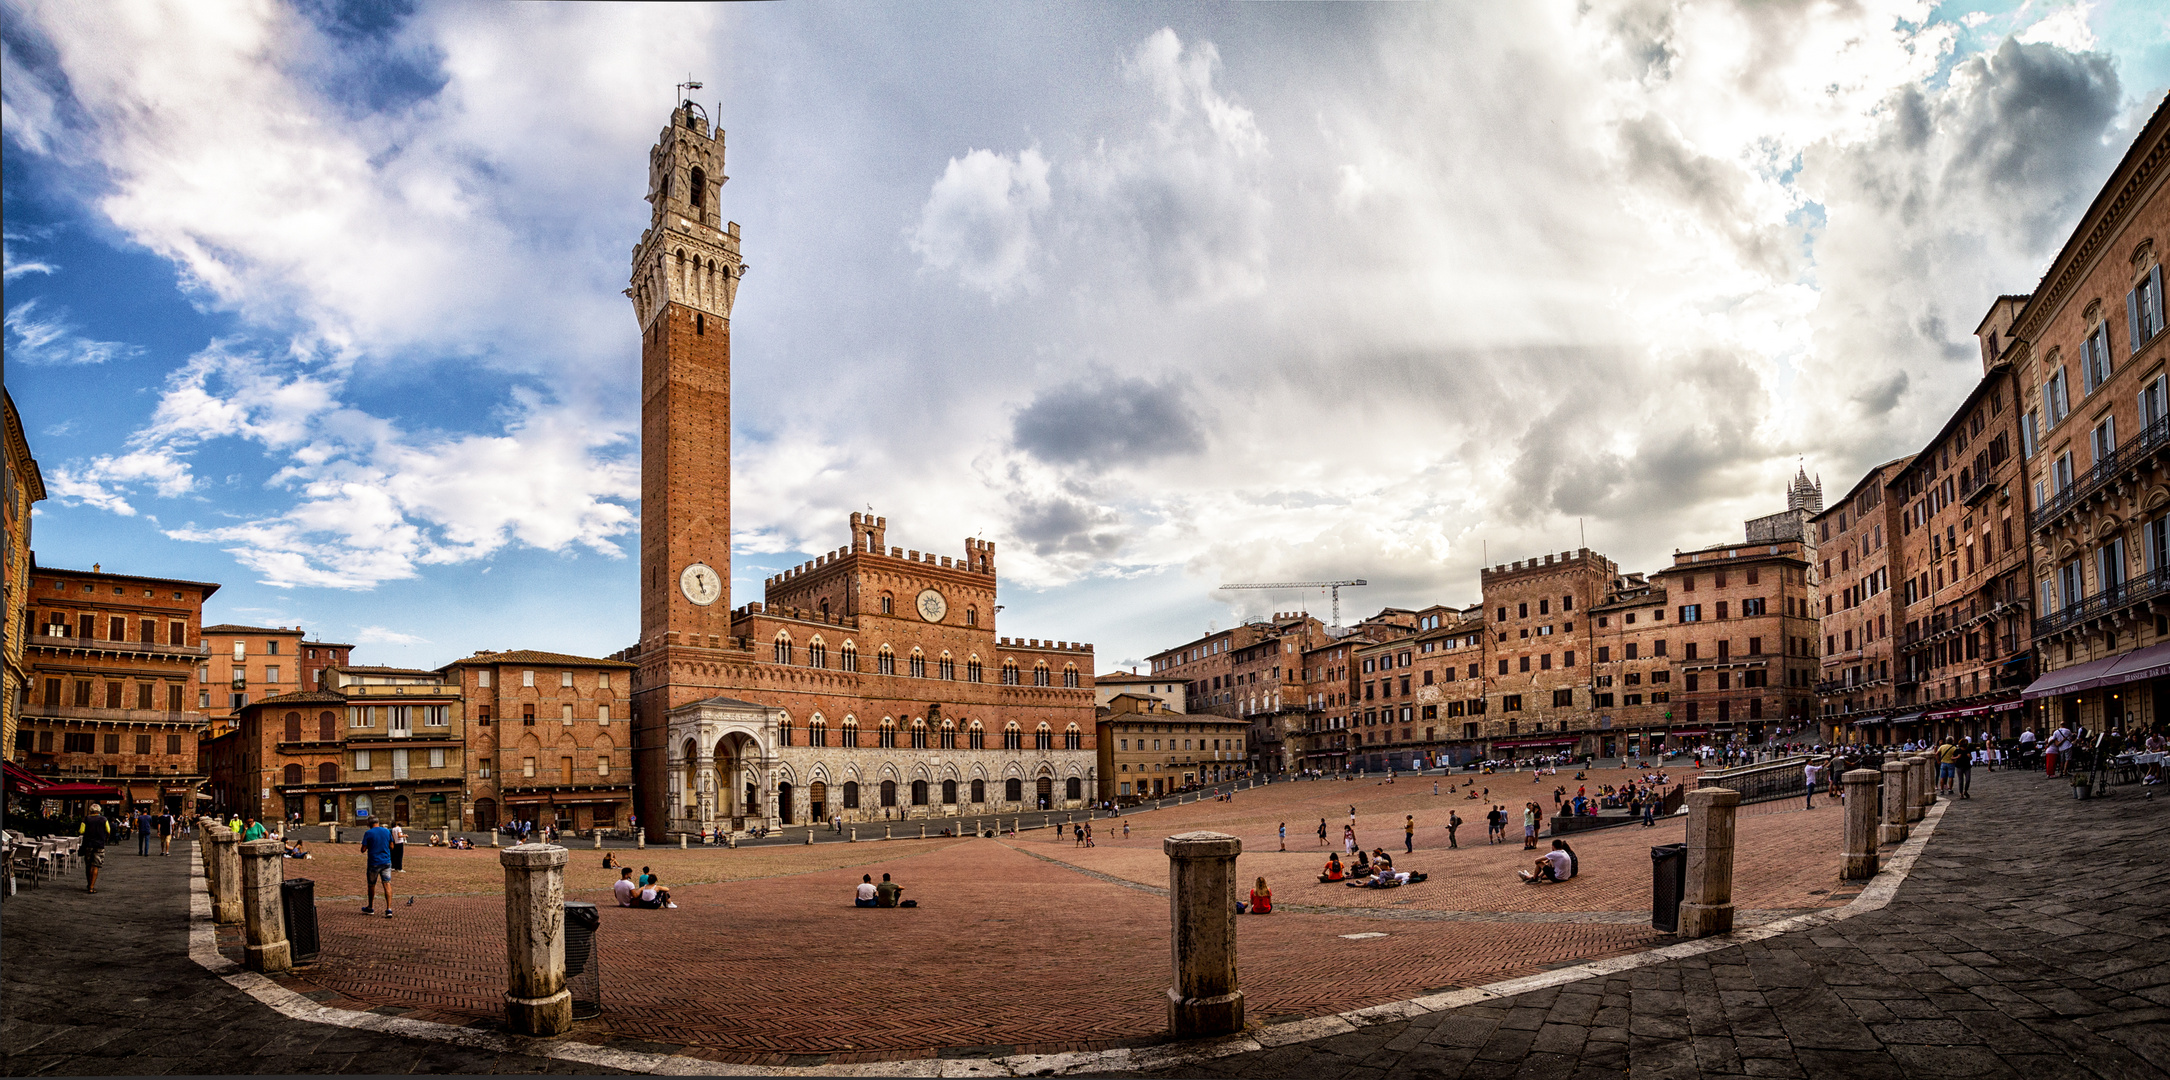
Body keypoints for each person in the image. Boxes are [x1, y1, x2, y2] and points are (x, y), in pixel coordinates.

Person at [360, 818, 395, 917]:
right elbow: (392, 846)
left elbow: (363, 849)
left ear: (369, 824)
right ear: (378, 823)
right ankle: (389, 909)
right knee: (387, 884)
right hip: (386, 862)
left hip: (374, 862)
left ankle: (370, 907)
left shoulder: (368, 833)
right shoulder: (387, 831)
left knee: (371, 885)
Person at [80, 804, 116, 893]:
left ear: (90, 810)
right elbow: (108, 830)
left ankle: (88, 884)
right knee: (95, 866)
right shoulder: (104, 819)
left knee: (88, 865)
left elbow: (81, 831)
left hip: (88, 844)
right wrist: (105, 838)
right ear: (99, 811)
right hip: (99, 845)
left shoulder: (86, 819)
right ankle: (92, 887)